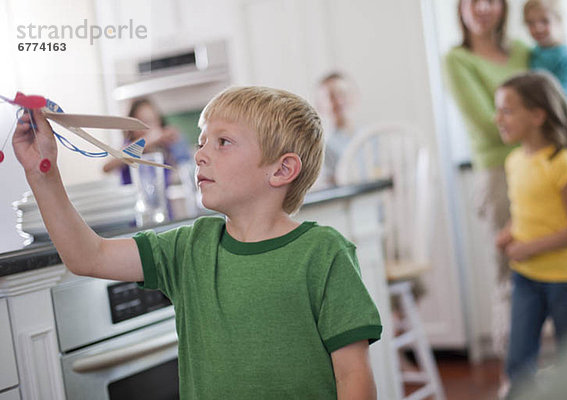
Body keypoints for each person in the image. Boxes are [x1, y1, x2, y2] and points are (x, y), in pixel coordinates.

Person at [12, 86, 382, 399]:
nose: (201, 153)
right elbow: (87, 256)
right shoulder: (188, 248)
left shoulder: (323, 252)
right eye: (202, 141)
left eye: (222, 143)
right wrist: (41, 173)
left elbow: (354, 376)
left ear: (281, 170)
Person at [444, 1, 530, 382]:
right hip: (499, 174)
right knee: (509, 274)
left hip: (542, 167)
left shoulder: (525, 52)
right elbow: (488, 123)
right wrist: (544, 121)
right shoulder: (457, 60)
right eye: (472, 0)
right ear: (460, 8)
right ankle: (516, 378)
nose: (482, 7)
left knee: (557, 269)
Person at [494, 71, 567, 397]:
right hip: (526, 278)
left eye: (507, 110)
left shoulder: (561, 163)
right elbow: (530, 212)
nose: (498, 118)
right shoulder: (513, 162)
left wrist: (530, 247)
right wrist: (510, 232)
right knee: (518, 364)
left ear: (538, 114)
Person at [103, 98, 191, 185]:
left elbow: (185, 165)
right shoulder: (128, 147)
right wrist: (147, 141)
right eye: (141, 123)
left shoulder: (163, 148)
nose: (147, 128)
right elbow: (106, 168)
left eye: (151, 122)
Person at [315, 72, 379, 186]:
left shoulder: (374, 137)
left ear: (355, 96)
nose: (339, 101)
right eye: (331, 97)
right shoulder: (323, 146)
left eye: (343, 94)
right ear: (319, 106)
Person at [523, 0, 567, 105]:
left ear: (558, 21)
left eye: (544, 21)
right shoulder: (533, 52)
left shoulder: (566, 56)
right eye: (530, 23)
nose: (537, 28)